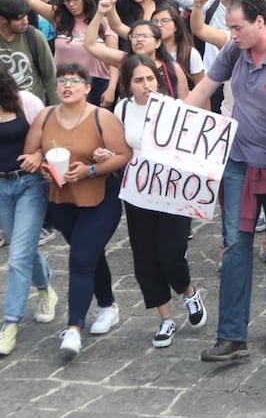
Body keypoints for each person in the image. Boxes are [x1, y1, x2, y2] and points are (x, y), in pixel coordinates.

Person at [183, 0, 266, 362]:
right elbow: (207, 86)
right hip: (238, 159)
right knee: (235, 244)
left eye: (238, 27)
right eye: (230, 27)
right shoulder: (234, 49)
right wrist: (175, 116)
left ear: (261, 22)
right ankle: (231, 335)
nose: (232, 34)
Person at [23, 63, 131, 360]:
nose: (67, 85)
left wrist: (92, 168)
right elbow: (33, 150)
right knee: (89, 254)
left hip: (101, 200)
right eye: (62, 81)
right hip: (62, 200)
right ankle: (108, 305)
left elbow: (123, 155)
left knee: (81, 259)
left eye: (74, 80)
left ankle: (74, 329)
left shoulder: (102, 118)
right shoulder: (45, 116)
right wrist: (40, 164)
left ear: (86, 87)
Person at [109, 55, 207, 348]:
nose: (145, 85)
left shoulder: (174, 109)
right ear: (128, 85)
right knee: (145, 257)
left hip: (172, 192)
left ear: (158, 79)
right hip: (139, 194)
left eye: (150, 78)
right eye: (138, 80)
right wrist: (108, 156)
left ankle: (188, 292)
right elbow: (120, 148)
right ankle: (165, 318)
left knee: (171, 253)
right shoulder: (123, 110)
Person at [0, 67, 57, 356]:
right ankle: (47, 289)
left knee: (17, 255)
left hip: (30, 184)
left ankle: (9, 324)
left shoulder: (25, 101)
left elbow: (53, 132)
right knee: (24, 248)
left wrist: (38, 155)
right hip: (1, 187)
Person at [0, 0, 57, 104]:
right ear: (2, 19)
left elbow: (50, 75)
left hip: (33, 104)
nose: (25, 21)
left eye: (26, 15)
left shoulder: (34, 36)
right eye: (19, 18)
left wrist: (56, 108)